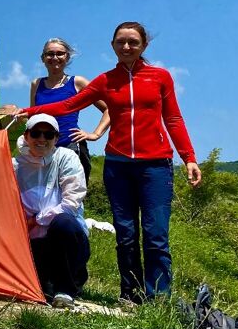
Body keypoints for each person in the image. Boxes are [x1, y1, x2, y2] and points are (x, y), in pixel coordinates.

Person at [22, 21, 201, 303]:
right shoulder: (106, 80)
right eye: (121, 42)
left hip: (155, 165)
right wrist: (24, 111)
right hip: (118, 164)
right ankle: (130, 294)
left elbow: (173, 118)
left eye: (133, 42)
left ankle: (158, 298)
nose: (126, 47)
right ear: (113, 45)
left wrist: (188, 157)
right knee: (126, 234)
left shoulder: (160, 77)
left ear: (144, 45)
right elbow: (68, 105)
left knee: (155, 234)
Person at [13, 114, 90, 309]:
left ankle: (67, 288)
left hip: (64, 238)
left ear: (56, 138)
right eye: (36, 133)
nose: (42, 139)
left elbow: (71, 202)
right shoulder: (15, 165)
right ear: (26, 135)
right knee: (43, 292)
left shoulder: (66, 158)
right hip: (31, 243)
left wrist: (36, 220)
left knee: (64, 222)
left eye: (48, 135)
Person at [30, 38, 109, 184]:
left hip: (70, 146)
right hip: (43, 149)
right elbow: (34, 119)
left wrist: (95, 134)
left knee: (72, 194)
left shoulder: (78, 82)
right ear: (43, 58)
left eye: (60, 53)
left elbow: (109, 108)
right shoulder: (36, 84)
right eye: (50, 54)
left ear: (67, 57)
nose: (55, 57)